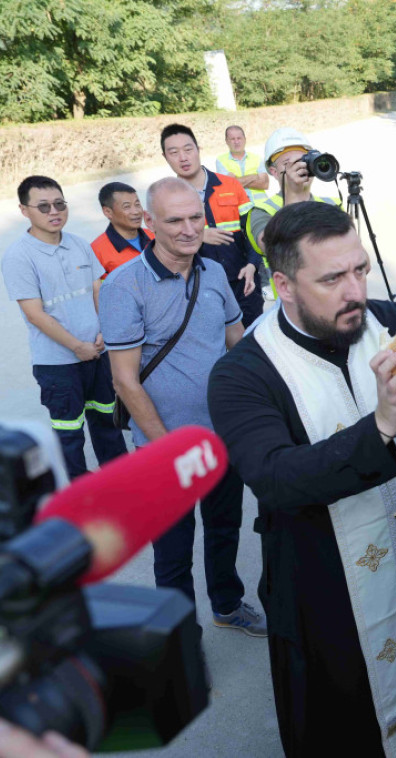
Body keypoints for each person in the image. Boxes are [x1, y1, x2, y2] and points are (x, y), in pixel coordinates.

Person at [206, 201, 396, 758]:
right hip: (322, 594)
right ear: (283, 284)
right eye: (332, 278)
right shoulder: (244, 374)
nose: (355, 291)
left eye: (360, 269)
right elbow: (275, 478)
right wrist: (380, 425)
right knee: (343, 726)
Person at [100, 177, 264, 638]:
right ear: (150, 223)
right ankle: (181, 640)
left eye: (196, 217)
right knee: (173, 551)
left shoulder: (213, 273)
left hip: (222, 434)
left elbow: (236, 344)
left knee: (223, 527)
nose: (189, 229)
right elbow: (124, 380)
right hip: (163, 447)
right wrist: (167, 446)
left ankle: (227, 605)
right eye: (175, 220)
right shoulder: (124, 286)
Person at [0, 175, 127, 480]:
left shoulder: (79, 245)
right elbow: (35, 314)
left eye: (59, 204)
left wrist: (103, 333)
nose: (54, 211)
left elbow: (98, 289)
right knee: (69, 436)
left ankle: (121, 483)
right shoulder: (19, 256)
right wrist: (76, 346)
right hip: (58, 365)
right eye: (43, 206)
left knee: (108, 424)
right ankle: (79, 500)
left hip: (99, 353)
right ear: (24, 210)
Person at [160, 123, 264, 328]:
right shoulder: (166, 198)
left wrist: (253, 264)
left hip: (244, 281)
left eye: (188, 149)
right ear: (165, 157)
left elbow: (251, 230)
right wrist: (199, 237)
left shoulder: (231, 185)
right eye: (174, 152)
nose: (183, 157)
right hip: (200, 288)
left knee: (255, 341)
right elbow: (162, 246)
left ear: (198, 150)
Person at [243, 127, 342, 259]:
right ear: (274, 172)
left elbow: (355, 255)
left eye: (303, 160)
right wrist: (293, 194)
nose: (299, 167)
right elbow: (276, 249)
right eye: (288, 163)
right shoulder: (261, 211)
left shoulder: (332, 204)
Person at [90, 182, 154, 278]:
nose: (136, 211)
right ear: (108, 212)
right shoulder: (96, 252)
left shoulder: (155, 236)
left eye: (137, 204)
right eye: (127, 207)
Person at [215, 125, 269, 204]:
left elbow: (265, 184)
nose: (236, 142)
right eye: (232, 139)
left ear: (245, 139)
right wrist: (254, 176)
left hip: (261, 206)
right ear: (226, 141)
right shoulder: (221, 160)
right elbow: (229, 186)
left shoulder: (257, 158)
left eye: (239, 138)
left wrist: (237, 180)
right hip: (238, 208)